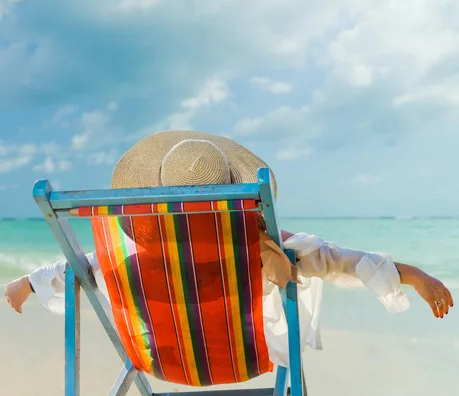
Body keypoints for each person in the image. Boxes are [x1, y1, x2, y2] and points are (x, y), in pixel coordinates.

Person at [4, 130, 453, 366]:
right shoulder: (266, 250)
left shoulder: (135, 261)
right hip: (245, 362)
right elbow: (342, 261)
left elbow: (80, 269)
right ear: (238, 197)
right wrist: (415, 274)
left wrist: (27, 282)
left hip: (162, 364)